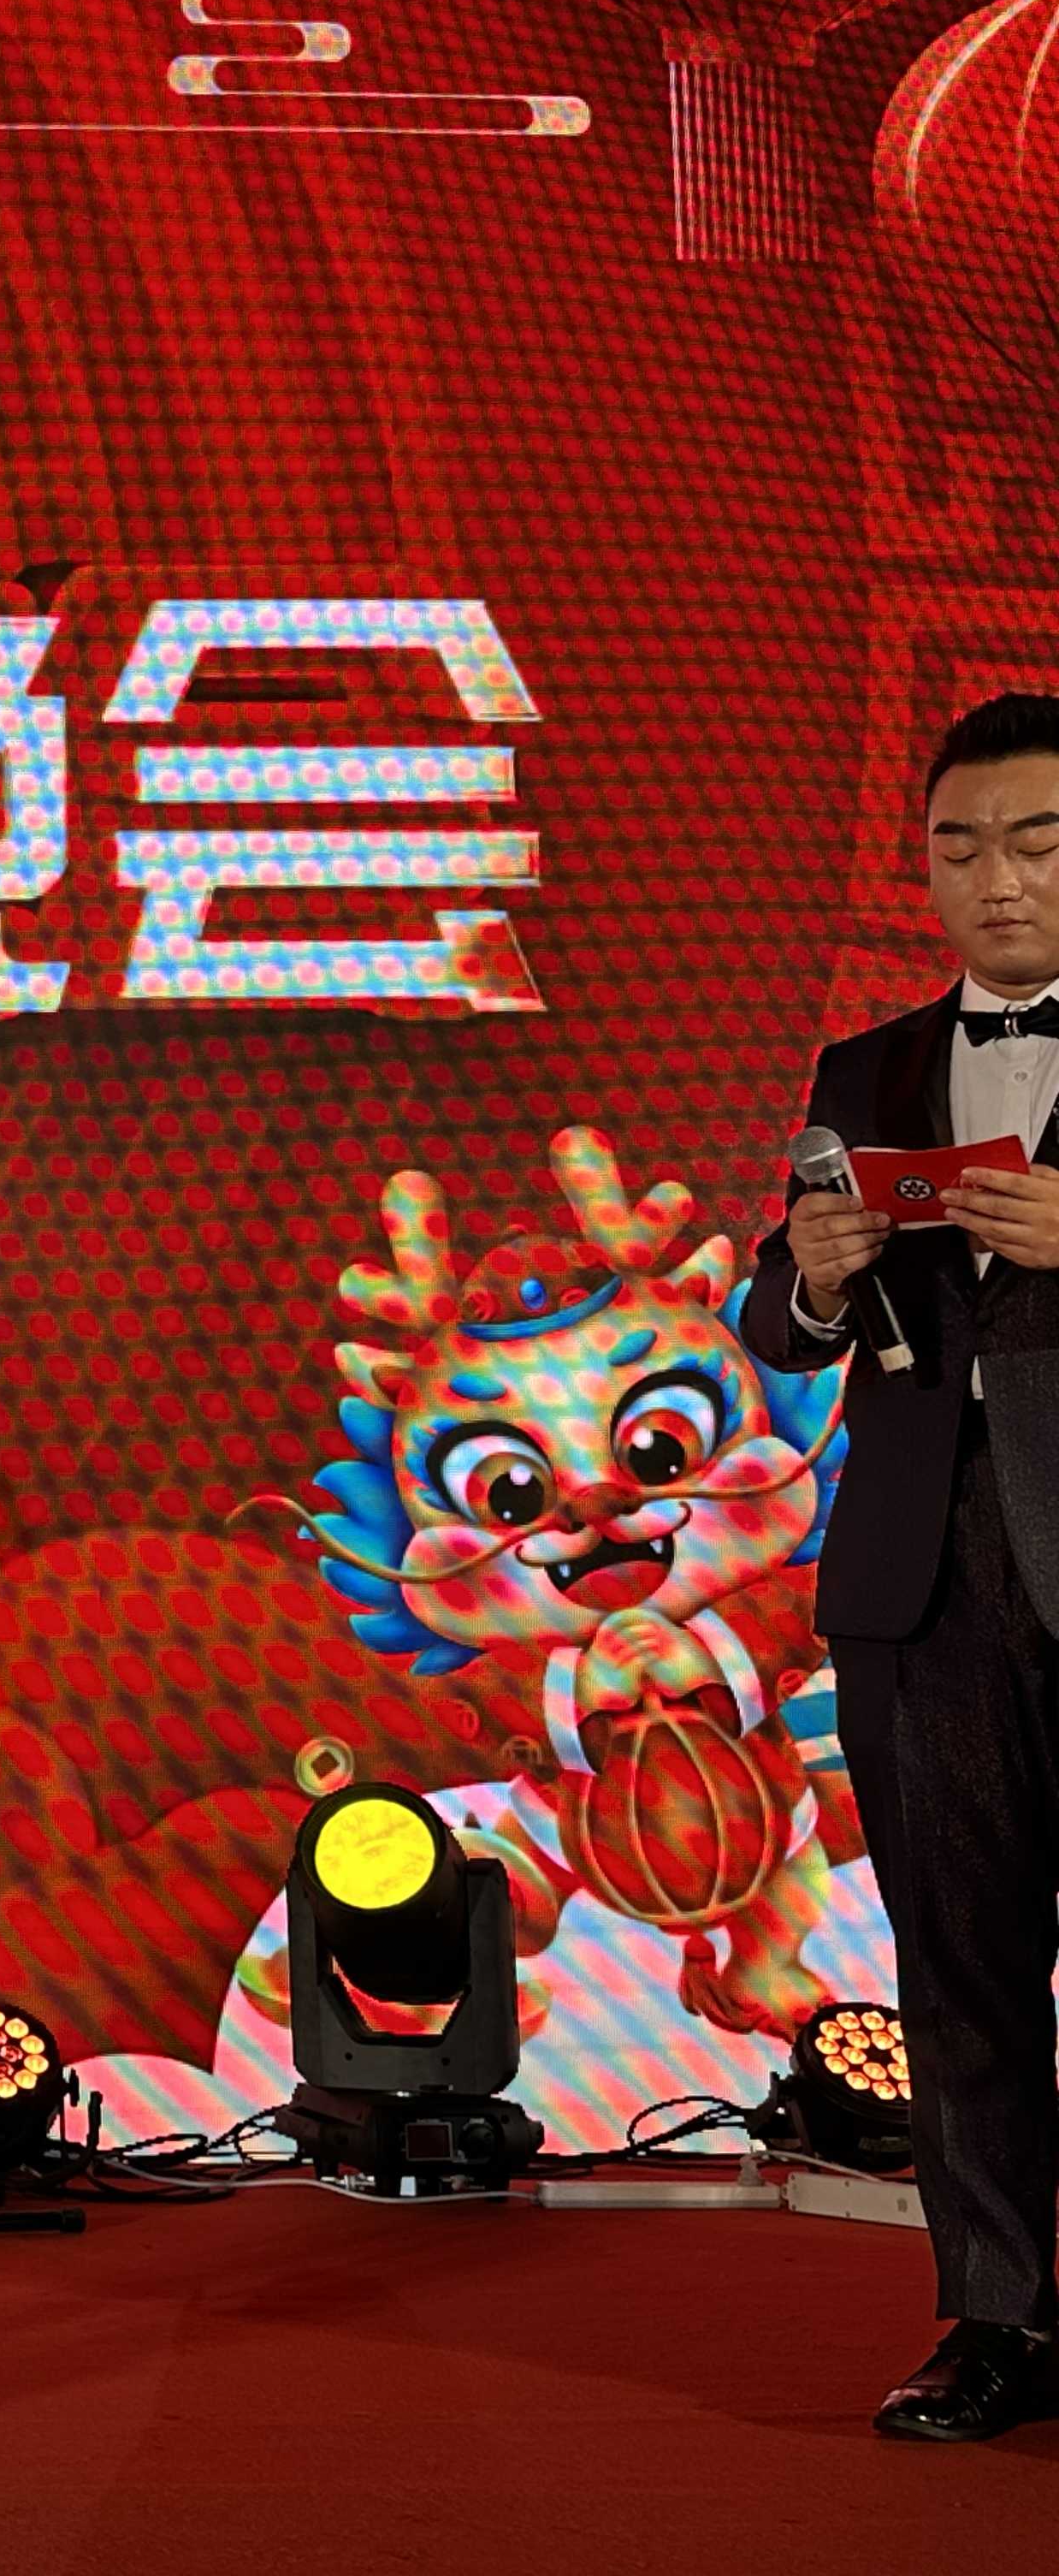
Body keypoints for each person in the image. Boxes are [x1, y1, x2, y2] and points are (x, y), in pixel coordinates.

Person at [747, 689, 1059, 2441]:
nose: (995, 879)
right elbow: (777, 1312)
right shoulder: (864, 1068)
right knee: (959, 1965)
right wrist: (808, 1277)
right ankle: (998, 2319)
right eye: (961, 847)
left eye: (1037, 842)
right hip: (925, 1581)